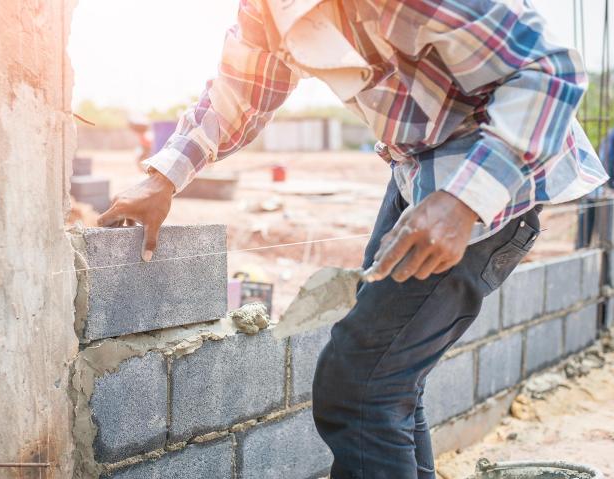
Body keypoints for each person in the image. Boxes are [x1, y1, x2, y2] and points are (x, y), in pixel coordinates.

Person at [98, 1, 608, 477]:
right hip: (418, 167)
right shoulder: (266, 11)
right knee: (387, 380)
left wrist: (462, 200)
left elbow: (551, 70)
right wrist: (164, 177)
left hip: (497, 180)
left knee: (358, 386)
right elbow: (241, 93)